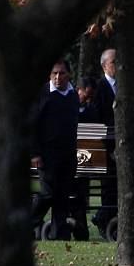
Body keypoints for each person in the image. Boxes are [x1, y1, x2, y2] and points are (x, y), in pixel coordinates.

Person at [31, 61, 84, 241]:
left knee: (62, 196)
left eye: (62, 73)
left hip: (68, 153)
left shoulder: (72, 95)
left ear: (69, 74)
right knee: (47, 193)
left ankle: (59, 234)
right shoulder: (43, 93)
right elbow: (32, 125)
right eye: (54, 73)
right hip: (47, 154)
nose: (58, 77)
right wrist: (35, 153)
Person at [92, 48, 119, 235]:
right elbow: (98, 119)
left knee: (116, 186)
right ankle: (103, 220)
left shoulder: (123, 86)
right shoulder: (99, 88)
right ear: (104, 66)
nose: (117, 65)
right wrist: (107, 147)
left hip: (120, 145)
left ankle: (106, 219)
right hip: (107, 146)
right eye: (113, 62)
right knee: (108, 186)